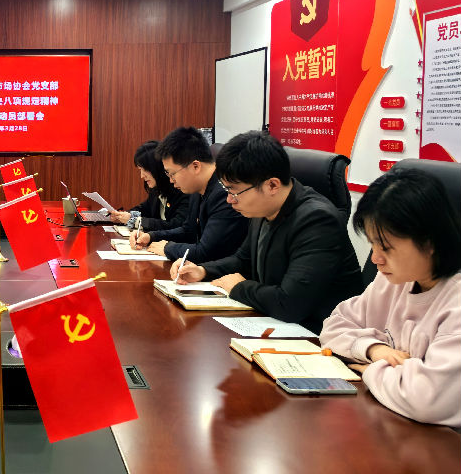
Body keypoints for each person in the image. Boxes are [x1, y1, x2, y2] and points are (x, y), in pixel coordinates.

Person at [172, 131, 364, 333]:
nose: (229, 200)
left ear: (272, 185)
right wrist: (203, 270)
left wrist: (238, 287)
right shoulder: (264, 208)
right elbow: (243, 260)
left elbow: (290, 304)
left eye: (234, 191)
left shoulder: (317, 220)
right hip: (277, 323)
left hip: (319, 335)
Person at [319, 168, 460, 428]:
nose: (375, 259)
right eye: (372, 244)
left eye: (385, 247)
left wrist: (372, 371)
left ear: (430, 242)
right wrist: (375, 350)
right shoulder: (395, 280)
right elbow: (333, 326)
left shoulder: (455, 301)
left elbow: (427, 399)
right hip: (393, 423)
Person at [130, 126, 247, 262]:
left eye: (172, 174)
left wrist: (168, 248)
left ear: (195, 166)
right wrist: (152, 236)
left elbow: (206, 252)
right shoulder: (197, 189)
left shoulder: (224, 193)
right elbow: (188, 230)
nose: (171, 180)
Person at [109, 140, 189, 232]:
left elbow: (176, 225)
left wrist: (135, 221)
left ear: (158, 168)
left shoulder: (182, 190)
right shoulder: (156, 189)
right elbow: (144, 209)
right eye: (140, 170)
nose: (142, 176)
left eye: (145, 170)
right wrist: (123, 215)